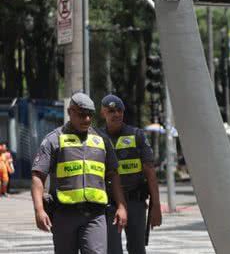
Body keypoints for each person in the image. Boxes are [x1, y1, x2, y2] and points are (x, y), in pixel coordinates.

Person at [31, 92, 128, 254]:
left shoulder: (102, 140)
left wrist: (121, 206)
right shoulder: (53, 140)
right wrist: (39, 210)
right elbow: (38, 176)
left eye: (90, 115)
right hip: (64, 215)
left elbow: (113, 174)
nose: (87, 120)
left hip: (95, 215)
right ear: (70, 112)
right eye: (82, 115)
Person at [100, 94, 162, 254]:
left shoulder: (137, 135)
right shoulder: (97, 138)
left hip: (136, 202)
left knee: (137, 249)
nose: (116, 114)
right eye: (111, 111)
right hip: (110, 205)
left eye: (119, 110)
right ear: (103, 113)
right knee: (112, 250)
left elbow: (150, 172)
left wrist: (156, 206)